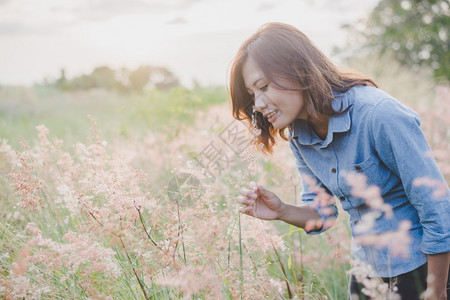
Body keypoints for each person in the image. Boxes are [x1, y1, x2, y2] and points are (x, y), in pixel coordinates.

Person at [229, 22, 450, 299]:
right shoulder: (300, 135)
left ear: (297, 70)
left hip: (422, 271)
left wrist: (437, 290)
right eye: (252, 95)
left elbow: (437, 208)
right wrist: (282, 210)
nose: (258, 105)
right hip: (366, 274)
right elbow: (323, 214)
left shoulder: (379, 115)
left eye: (263, 87)